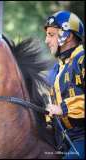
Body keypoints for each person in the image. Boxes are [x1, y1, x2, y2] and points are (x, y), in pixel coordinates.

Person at [44, 10, 85, 159]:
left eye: (51, 34)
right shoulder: (55, 69)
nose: (46, 40)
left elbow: (59, 109)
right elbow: (51, 108)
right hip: (60, 138)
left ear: (68, 35)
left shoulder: (82, 60)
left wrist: (63, 108)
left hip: (81, 137)